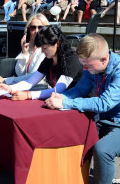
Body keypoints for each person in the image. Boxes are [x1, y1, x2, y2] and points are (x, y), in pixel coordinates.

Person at [44, 34, 120, 184]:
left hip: (118, 122)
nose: (84, 69)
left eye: (88, 66)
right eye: (83, 65)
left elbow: (104, 103)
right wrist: (60, 97)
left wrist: (66, 104)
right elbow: (79, 90)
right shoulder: (93, 66)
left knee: (102, 150)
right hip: (103, 119)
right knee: (73, 134)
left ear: (104, 59)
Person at [0, 25, 83, 101]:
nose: (42, 52)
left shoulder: (72, 60)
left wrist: (29, 95)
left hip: (74, 101)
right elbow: (30, 81)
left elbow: (59, 89)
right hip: (57, 100)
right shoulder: (48, 60)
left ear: (57, 43)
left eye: (45, 48)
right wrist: (10, 88)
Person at [0, 14, 49, 85]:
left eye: (40, 27)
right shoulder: (30, 47)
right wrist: (24, 53)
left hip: (40, 89)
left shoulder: (46, 49)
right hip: (27, 86)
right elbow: (20, 73)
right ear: (28, 30)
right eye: (33, 28)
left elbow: (34, 76)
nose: (36, 31)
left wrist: (7, 80)